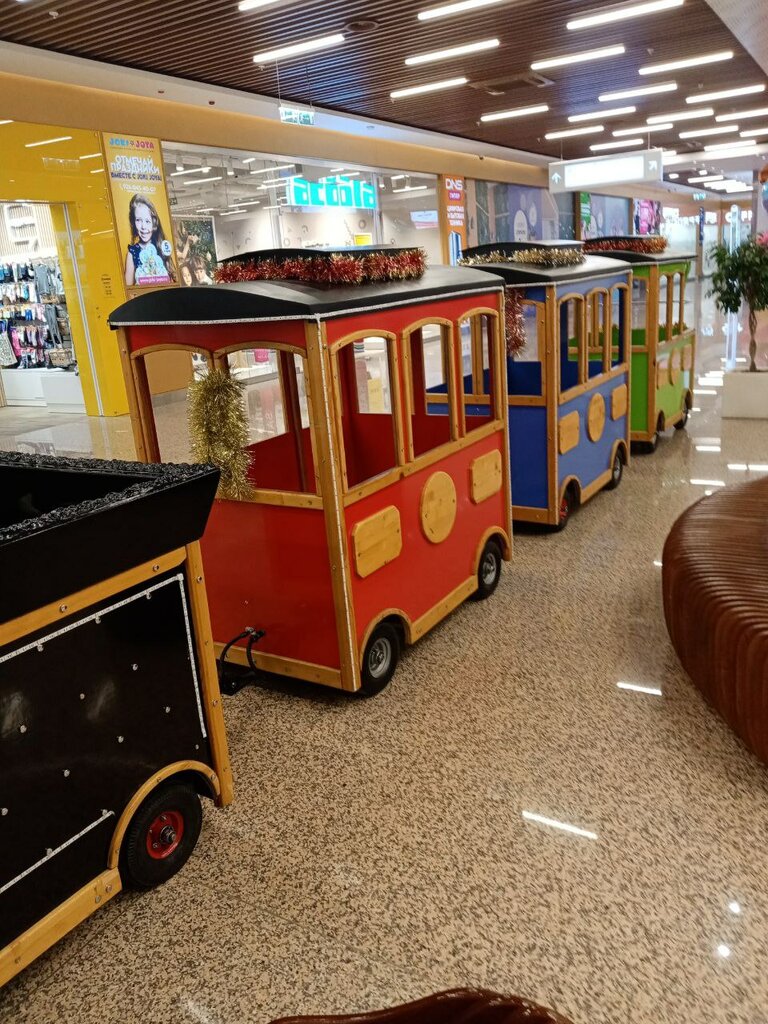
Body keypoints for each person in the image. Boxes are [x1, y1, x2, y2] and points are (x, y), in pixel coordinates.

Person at [124, 194, 176, 287]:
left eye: (147, 221)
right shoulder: (132, 253)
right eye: (139, 220)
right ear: (133, 222)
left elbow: (174, 280)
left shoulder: (162, 247)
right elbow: (128, 290)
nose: (143, 227)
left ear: (154, 223)